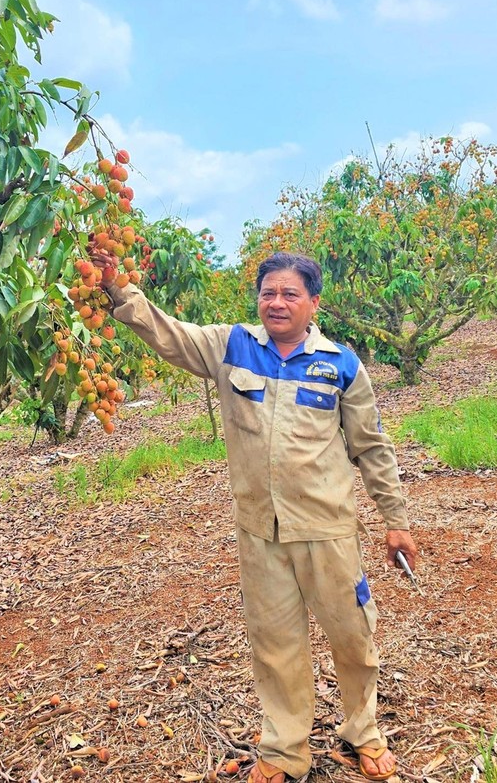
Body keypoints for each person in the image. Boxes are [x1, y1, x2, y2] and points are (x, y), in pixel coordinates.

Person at [93, 250, 418, 783]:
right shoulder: (232, 345)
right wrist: (116, 289)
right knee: (275, 643)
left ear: (314, 303)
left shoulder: (340, 364)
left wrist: (395, 518)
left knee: (352, 636)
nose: (277, 302)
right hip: (259, 532)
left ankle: (363, 731)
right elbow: (167, 333)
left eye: (291, 294)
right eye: (269, 292)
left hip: (328, 528)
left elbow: (371, 447)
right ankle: (286, 748)